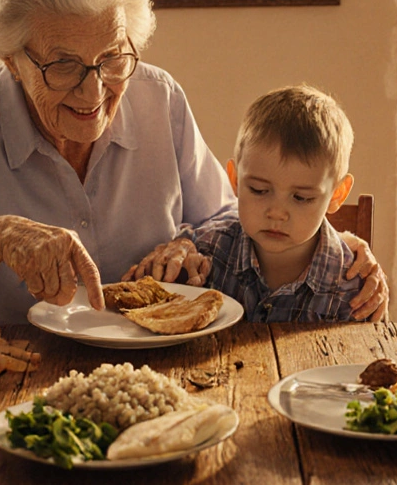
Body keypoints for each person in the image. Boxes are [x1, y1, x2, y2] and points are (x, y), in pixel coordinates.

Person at [0, 0, 388, 331]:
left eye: (112, 58)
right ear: (11, 59)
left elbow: (229, 215)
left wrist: (330, 246)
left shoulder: (158, 97)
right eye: (63, 66)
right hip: (16, 374)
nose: (94, 96)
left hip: (162, 369)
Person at [124, 85, 364, 321]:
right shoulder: (203, 253)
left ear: (337, 195)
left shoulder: (354, 287)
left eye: (301, 198)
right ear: (235, 180)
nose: (277, 213)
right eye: (259, 190)